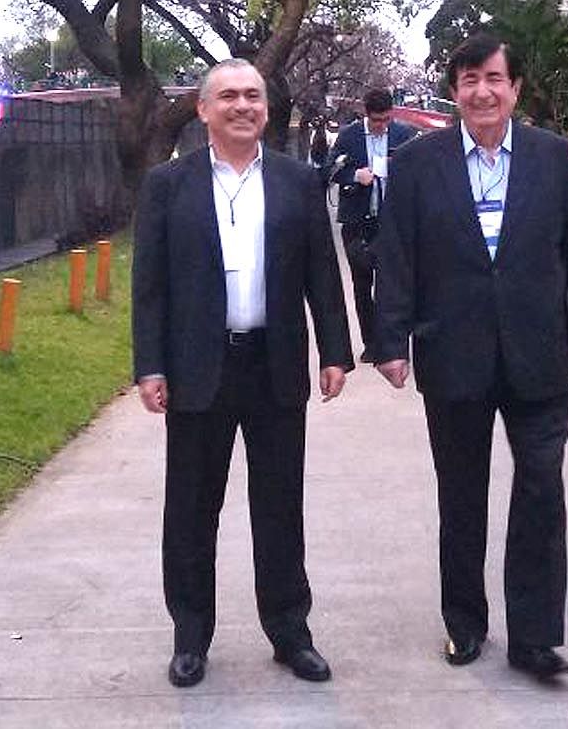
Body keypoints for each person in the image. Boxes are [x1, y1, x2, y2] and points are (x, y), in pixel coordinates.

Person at [372, 35, 568, 679]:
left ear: (516, 88)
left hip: (540, 356)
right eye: (470, 78)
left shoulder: (554, 158)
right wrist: (390, 340)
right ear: (455, 88)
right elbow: (397, 255)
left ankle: (534, 638)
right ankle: (465, 626)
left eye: (495, 79)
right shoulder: (420, 163)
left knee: (540, 489)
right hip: (454, 353)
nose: (482, 91)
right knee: (462, 497)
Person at [131, 59, 354, 689]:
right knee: (192, 510)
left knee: (280, 506)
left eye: (252, 96)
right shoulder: (166, 186)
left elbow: (321, 275)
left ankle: (290, 632)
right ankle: (191, 637)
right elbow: (148, 287)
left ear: (266, 108)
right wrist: (149, 364)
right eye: (227, 95)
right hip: (199, 368)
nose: (241, 106)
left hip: (275, 365)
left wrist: (334, 350)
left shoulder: (297, 182)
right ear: (203, 110)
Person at [326, 89, 416, 363]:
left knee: (392, 286)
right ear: (366, 114)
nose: (382, 126)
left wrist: (397, 167)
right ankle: (371, 344)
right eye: (377, 120)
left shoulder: (405, 135)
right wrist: (354, 175)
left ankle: (394, 344)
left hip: (392, 223)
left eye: (386, 119)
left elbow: (419, 170)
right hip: (358, 221)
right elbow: (328, 170)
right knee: (362, 285)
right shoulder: (348, 136)